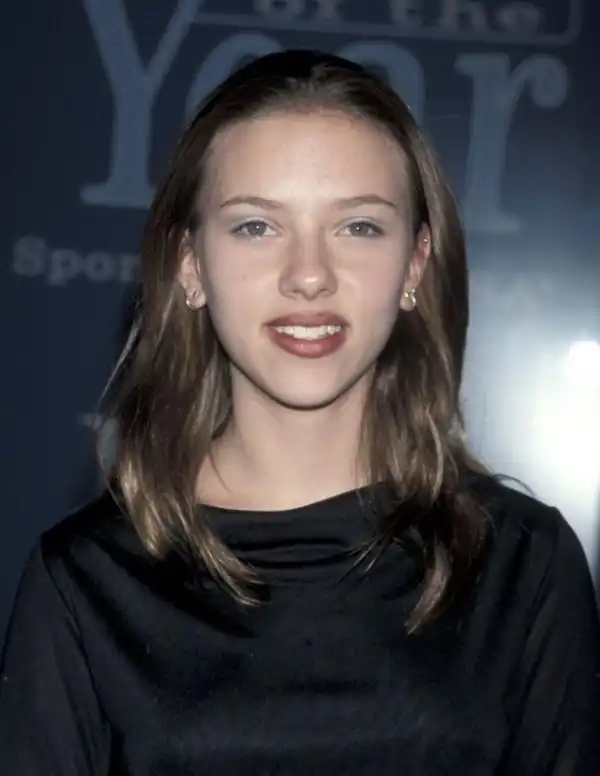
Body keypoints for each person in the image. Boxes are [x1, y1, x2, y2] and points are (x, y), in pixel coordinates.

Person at [1, 50, 599, 775]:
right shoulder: (86, 583)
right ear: (190, 265)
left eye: (359, 227)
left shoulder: (523, 566)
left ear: (415, 265)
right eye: (256, 226)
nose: (309, 275)